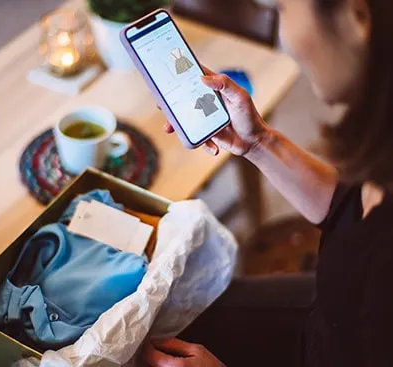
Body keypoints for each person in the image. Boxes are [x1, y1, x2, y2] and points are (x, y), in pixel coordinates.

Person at [143, 0, 393, 366]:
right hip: (328, 319)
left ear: (358, 16)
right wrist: (258, 141)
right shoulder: (383, 146)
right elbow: (349, 207)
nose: (285, 38)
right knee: (182, 311)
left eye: (284, 10)